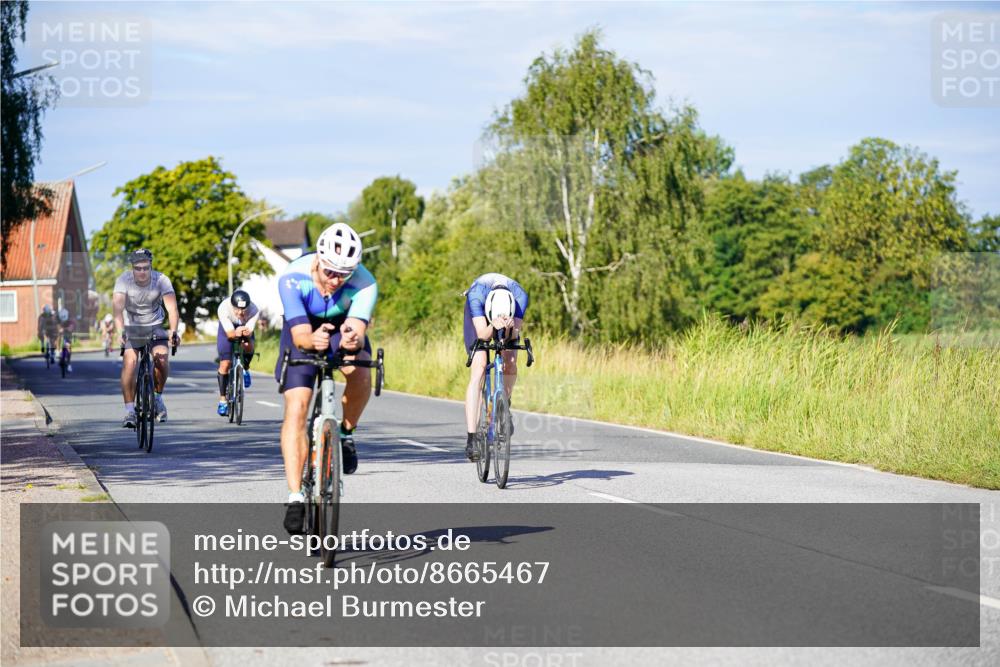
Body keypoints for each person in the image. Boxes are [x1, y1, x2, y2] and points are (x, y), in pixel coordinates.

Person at [275, 223, 377, 534]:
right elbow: (300, 334)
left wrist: (351, 340)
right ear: (318, 261)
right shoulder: (294, 278)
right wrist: (310, 340)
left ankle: (345, 434)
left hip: (340, 326)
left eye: (343, 274)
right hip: (303, 330)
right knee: (298, 406)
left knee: (360, 371)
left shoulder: (365, 284)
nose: (335, 280)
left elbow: (358, 330)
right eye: (330, 272)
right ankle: (295, 497)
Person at [463, 273, 529, 461]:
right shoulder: (476, 295)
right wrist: (493, 325)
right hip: (480, 322)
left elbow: (513, 336)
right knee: (480, 366)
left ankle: (504, 405)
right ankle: (471, 438)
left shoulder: (520, 298)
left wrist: (509, 329)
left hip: (508, 315)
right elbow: (482, 334)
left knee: (510, 362)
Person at [113, 249, 180, 427]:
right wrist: (120, 331)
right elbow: (118, 311)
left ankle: (157, 397)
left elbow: (172, 309)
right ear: (132, 268)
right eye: (138, 268)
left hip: (155, 325)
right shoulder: (123, 280)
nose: (142, 272)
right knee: (130, 362)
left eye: (146, 268)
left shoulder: (161, 280)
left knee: (162, 360)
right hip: (132, 326)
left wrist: (173, 331)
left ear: (151, 266)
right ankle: (129, 411)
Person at [216, 289, 260, 416]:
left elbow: (249, 331)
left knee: (248, 344)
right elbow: (230, 334)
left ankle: (245, 368)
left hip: (245, 328)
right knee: (225, 363)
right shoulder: (223, 308)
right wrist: (236, 332)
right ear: (232, 305)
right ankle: (223, 399)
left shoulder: (254, 310)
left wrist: (245, 333)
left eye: (243, 310)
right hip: (228, 329)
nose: (240, 313)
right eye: (237, 309)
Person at [57, 308, 76, 372]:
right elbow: (56, 327)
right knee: (58, 336)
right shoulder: (58, 319)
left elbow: (71, 328)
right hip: (61, 334)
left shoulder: (70, 320)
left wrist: (65, 329)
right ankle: (58, 351)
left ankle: (69, 364)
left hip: (68, 335)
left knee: (68, 347)